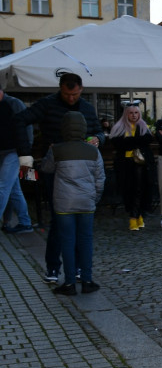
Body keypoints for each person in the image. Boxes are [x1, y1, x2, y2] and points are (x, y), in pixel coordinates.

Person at [14, 73, 103, 282]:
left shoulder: (88, 108)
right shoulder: (47, 104)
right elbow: (19, 121)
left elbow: (98, 131)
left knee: (80, 221)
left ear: (81, 89)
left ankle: (80, 268)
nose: (70, 98)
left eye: (74, 94)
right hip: (55, 169)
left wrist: (97, 139)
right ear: (60, 89)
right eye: (66, 94)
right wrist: (25, 156)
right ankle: (53, 268)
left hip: (82, 170)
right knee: (58, 220)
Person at [39, 112, 104, 295]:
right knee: (85, 241)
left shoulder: (57, 150)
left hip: (64, 204)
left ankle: (68, 283)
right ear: (83, 128)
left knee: (67, 242)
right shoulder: (93, 151)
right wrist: (94, 198)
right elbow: (100, 179)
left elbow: (46, 168)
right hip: (86, 202)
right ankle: (87, 280)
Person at [108, 102, 154, 231]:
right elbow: (117, 143)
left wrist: (130, 142)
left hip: (139, 164)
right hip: (124, 164)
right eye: (131, 113)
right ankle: (135, 214)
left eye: (136, 113)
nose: (134, 115)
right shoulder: (119, 127)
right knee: (128, 189)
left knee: (139, 189)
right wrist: (134, 142)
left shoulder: (143, 126)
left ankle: (135, 216)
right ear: (126, 114)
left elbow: (147, 140)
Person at [0, 86, 34, 234]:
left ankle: (24, 223)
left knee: (3, 186)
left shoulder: (13, 103)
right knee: (13, 189)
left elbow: (27, 127)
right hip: (9, 151)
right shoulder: (12, 104)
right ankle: (25, 222)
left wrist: (26, 152)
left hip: (15, 151)